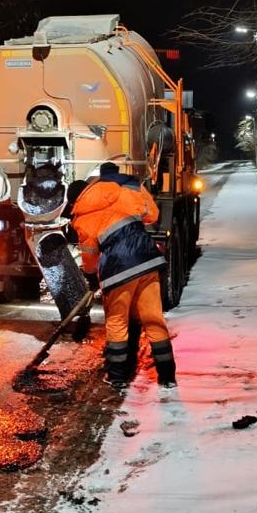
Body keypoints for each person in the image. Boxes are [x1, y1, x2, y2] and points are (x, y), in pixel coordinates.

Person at [69, 162, 177, 387]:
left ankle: (117, 377)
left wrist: (90, 276)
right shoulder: (129, 188)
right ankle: (167, 377)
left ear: (77, 198)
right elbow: (153, 216)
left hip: (118, 269)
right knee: (153, 319)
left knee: (117, 321)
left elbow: (89, 254)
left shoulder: (83, 214)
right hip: (148, 259)